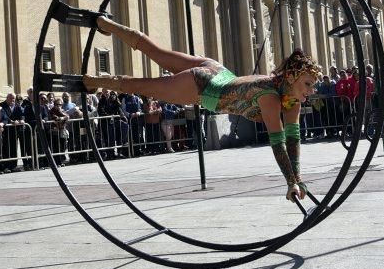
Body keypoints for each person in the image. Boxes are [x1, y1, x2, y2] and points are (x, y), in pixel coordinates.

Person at [72, 13, 319, 201]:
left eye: (313, 86)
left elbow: (294, 141)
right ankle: (93, 81)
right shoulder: (271, 98)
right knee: (145, 86)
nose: (311, 91)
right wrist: (291, 181)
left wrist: (298, 179)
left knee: (157, 52)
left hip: (217, 70)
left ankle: (106, 24)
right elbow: (279, 143)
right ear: (291, 78)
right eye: (307, 84)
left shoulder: (291, 101)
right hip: (204, 88)